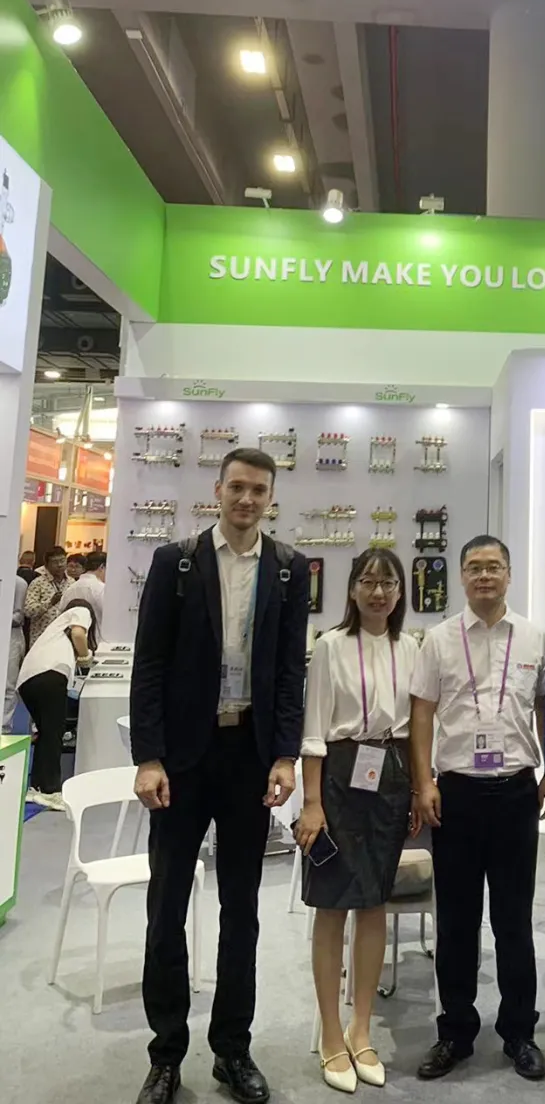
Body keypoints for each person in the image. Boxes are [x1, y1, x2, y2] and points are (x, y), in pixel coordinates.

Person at [130, 448, 308, 1104]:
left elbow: (290, 670)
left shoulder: (288, 568)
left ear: (270, 497)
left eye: (258, 490)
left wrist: (285, 755)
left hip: (247, 759)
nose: (247, 499)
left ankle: (232, 1050)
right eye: (237, 487)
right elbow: (149, 663)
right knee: (166, 906)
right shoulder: (175, 562)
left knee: (242, 910)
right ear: (218, 489)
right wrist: (148, 757)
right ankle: (165, 1054)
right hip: (182, 759)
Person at [410, 534, 545, 1083]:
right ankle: (456, 1032)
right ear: (462, 577)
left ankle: (519, 1031)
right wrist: (423, 782)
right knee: (457, 920)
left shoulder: (533, 637)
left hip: (515, 791)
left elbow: (544, 706)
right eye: (474, 568)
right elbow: (422, 713)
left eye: (494, 567)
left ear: (509, 575)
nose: (484, 576)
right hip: (457, 794)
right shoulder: (439, 640)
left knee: (514, 920)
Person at [296, 548, 419, 1093]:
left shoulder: (410, 647)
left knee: (374, 902)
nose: (378, 592)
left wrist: (415, 788)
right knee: (332, 904)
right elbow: (314, 732)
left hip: (389, 773)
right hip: (340, 776)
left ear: (400, 592)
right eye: (368, 581)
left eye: (388, 583)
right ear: (352, 589)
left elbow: (417, 727)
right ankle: (330, 1033)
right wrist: (312, 803)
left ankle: (361, 1027)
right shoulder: (330, 646)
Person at [17, 587, 99, 807]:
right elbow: (79, 634)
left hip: (28, 681)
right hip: (50, 676)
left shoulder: (55, 629)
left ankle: (37, 787)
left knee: (46, 734)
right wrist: (86, 656)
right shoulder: (80, 610)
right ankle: (51, 790)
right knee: (54, 734)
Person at [23, 546, 68, 646]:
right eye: (55, 562)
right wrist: (49, 603)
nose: (60, 565)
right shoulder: (38, 583)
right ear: (46, 565)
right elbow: (28, 610)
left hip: (64, 638)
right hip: (41, 638)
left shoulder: (71, 583)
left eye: (62, 560)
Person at [3, 574, 28, 731]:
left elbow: (18, 616)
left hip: (11, 635)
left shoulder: (19, 583)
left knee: (8, 684)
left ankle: (3, 727)